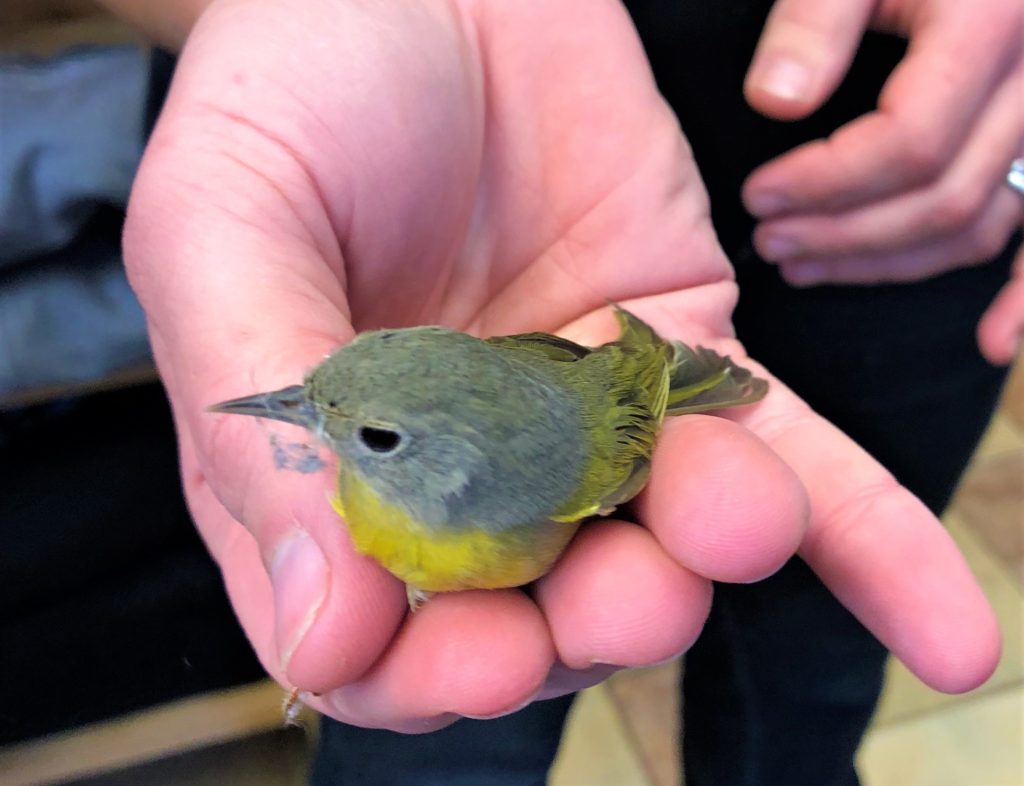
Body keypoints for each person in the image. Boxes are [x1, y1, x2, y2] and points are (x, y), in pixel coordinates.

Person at [100, 0, 1022, 783]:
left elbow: (619, 408)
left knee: (812, 654)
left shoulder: (573, 478)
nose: (304, 415)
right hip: (506, 142)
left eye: (369, 432)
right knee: (447, 736)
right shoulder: (376, 461)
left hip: (928, 201)